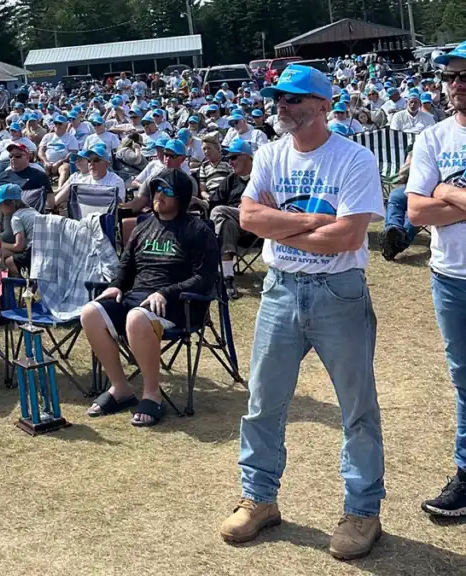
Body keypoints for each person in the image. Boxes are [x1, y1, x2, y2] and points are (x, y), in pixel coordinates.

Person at [220, 65, 385, 560]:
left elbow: (349, 236)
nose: (282, 106)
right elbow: (249, 218)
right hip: (281, 289)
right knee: (263, 403)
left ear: (322, 105)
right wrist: (314, 221)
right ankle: (260, 498)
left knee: (356, 409)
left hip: (338, 291)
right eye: (279, 98)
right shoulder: (268, 154)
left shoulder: (354, 159)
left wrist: (282, 224)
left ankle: (362, 510)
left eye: (293, 98)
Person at [81, 168, 217, 425]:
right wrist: (117, 285)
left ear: (183, 197)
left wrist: (166, 292)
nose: (159, 195)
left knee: (136, 318)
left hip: (179, 304)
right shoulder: (144, 228)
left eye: (167, 191)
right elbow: (127, 264)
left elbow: (205, 278)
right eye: (156, 189)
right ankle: (120, 389)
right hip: (137, 300)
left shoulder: (198, 231)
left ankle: (152, 395)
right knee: (91, 312)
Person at [404, 42, 466, 518]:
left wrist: (445, 191)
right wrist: (445, 192)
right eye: (452, 76)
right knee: (465, 380)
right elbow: (416, 210)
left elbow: (433, 202)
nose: (458, 84)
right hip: (451, 276)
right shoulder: (433, 137)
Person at [210, 140, 254, 300]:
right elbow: (214, 200)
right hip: (235, 226)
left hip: (256, 225)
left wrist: (249, 206)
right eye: (228, 158)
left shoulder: (261, 176)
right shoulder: (231, 179)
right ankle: (228, 278)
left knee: (219, 211)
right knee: (226, 224)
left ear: (248, 157)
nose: (230, 162)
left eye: (234, 157)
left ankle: (211, 255)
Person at [0, 142, 51, 213]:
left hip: (27, 213)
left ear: (27, 157)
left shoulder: (39, 176)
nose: (13, 158)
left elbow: (50, 199)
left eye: (17, 156)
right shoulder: (1, 176)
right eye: (11, 156)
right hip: (1, 213)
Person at [379, 154, 418, 261]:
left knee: (395, 201)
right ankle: (400, 240)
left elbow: (404, 171)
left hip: (404, 188)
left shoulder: (413, 150)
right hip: (424, 190)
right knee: (416, 213)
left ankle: (392, 228)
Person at [0, 184, 38, 277]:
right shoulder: (31, 210)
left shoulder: (16, 218)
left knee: (6, 258)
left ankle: (25, 280)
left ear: (12, 203)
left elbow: (19, 246)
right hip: (42, 249)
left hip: (33, 252)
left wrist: (1, 243)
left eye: (0, 204)